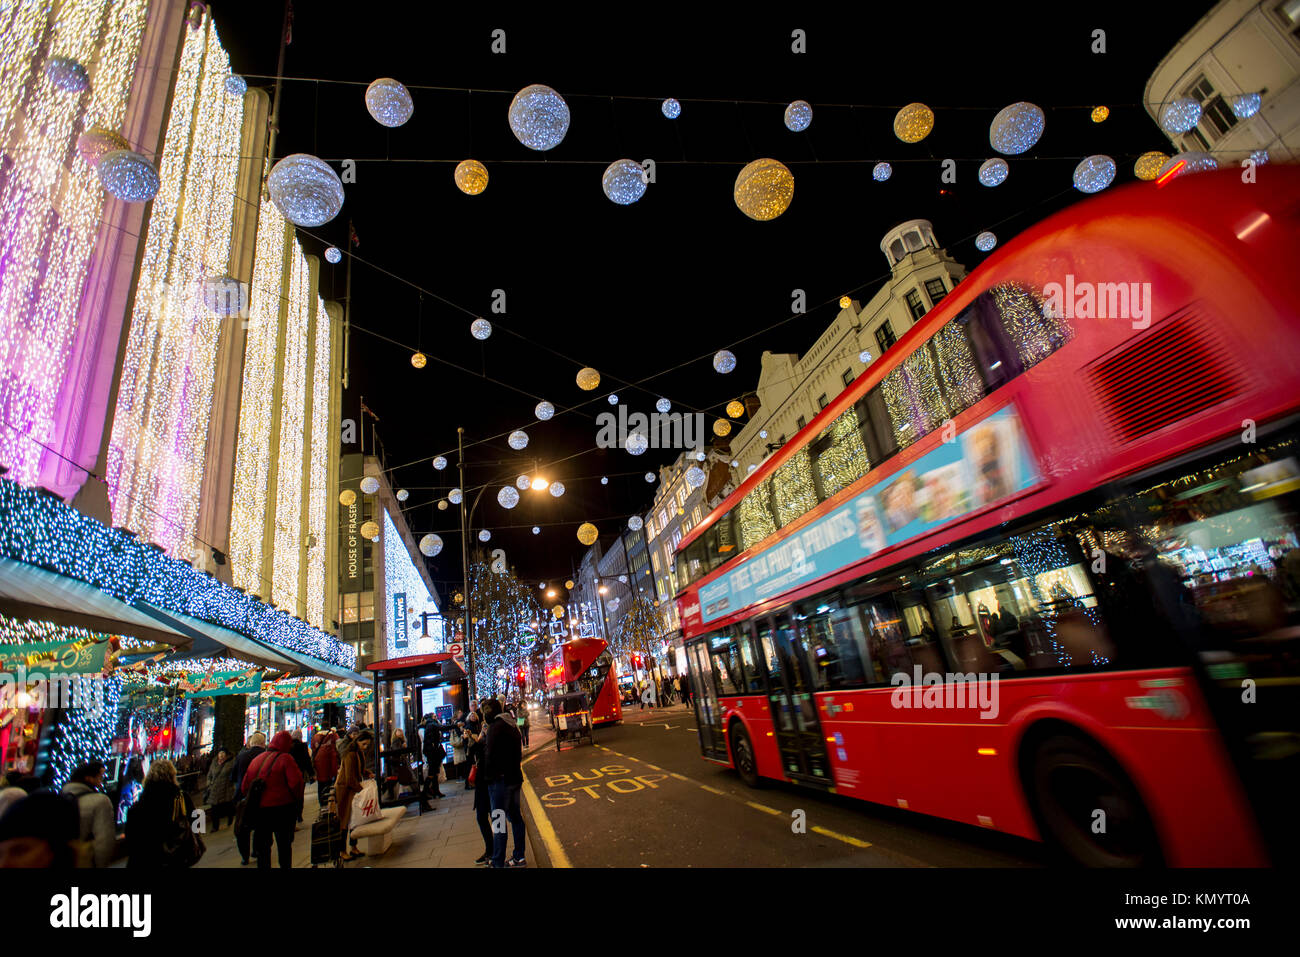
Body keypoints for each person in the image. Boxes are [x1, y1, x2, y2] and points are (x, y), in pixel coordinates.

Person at [241, 730, 304, 869]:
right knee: (284, 846)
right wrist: (296, 800)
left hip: (261, 811)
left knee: (263, 848)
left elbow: (245, 786)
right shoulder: (285, 758)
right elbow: (296, 783)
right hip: (282, 809)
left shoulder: (257, 760)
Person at [125, 759, 196, 869]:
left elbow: (131, 838)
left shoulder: (140, 804)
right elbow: (196, 819)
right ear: (172, 775)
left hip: (144, 861)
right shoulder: (180, 798)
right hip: (175, 858)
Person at [484, 696, 527, 867]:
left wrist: (487, 777)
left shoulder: (494, 728)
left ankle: (497, 861)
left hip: (500, 782)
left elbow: (489, 757)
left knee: (499, 820)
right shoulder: (512, 725)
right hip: (514, 778)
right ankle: (519, 856)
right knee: (515, 817)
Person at [61, 761, 115, 867]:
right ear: (89, 778)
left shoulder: (58, 799)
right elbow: (104, 842)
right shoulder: (100, 801)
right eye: (100, 777)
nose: (101, 782)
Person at [335, 729, 374, 862]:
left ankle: (354, 847)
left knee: (354, 820)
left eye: (367, 744)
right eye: (364, 744)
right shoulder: (350, 754)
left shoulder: (358, 753)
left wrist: (367, 772)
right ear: (357, 741)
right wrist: (361, 790)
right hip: (345, 791)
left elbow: (359, 769)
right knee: (345, 821)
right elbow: (349, 778)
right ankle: (342, 851)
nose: (365, 747)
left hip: (353, 790)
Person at [464, 704, 494, 865]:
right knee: (482, 817)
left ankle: (496, 852)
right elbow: (474, 750)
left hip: (492, 784)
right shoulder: (485, 731)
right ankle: (492, 850)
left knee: (496, 818)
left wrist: (479, 739)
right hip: (484, 785)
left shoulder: (493, 731)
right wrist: (473, 738)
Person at [231, 732, 266, 864]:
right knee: (259, 826)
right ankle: (257, 850)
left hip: (243, 796)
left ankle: (244, 856)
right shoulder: (265, 755)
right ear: (263, 743)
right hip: (260, 796)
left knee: (243, 828)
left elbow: (233, 776)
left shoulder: (241, 756)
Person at [203, 748, 238, 832]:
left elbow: (234, 774)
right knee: (214, 808)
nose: (221, 755)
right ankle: (215, 826)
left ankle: (230, 820)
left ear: (226, 754)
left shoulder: (231, 763)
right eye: (220, 753)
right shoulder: (214, 763)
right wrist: (209, 783)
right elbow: (209, 775)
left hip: (226, 788)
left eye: (223, 753)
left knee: (228, 806)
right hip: (214, 789)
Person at [289, 729, 314, 825]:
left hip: (290, 774)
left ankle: (293, 815)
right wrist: (311, 773)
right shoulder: (302, 746)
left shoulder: (288, 747)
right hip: (300, 774)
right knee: (300, 794)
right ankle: (299, 815)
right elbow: (307, 760)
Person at [312, 728, 340, 806]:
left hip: (319, 764)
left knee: (320, 784)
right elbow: (337, 748)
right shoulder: (333, 736)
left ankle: (322, 803)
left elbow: (313, 748)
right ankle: (330, 804)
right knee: (331, 784)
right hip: (331, 763)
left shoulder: (315, 737)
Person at [420, 715, 447, 798]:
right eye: (434, 716)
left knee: (435, 772)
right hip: (432, 752)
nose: (436, 717)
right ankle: (424, 793)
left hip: (433, 752)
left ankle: (435, 791)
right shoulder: (430, 725)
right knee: (432, 772)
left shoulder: (430, 725)